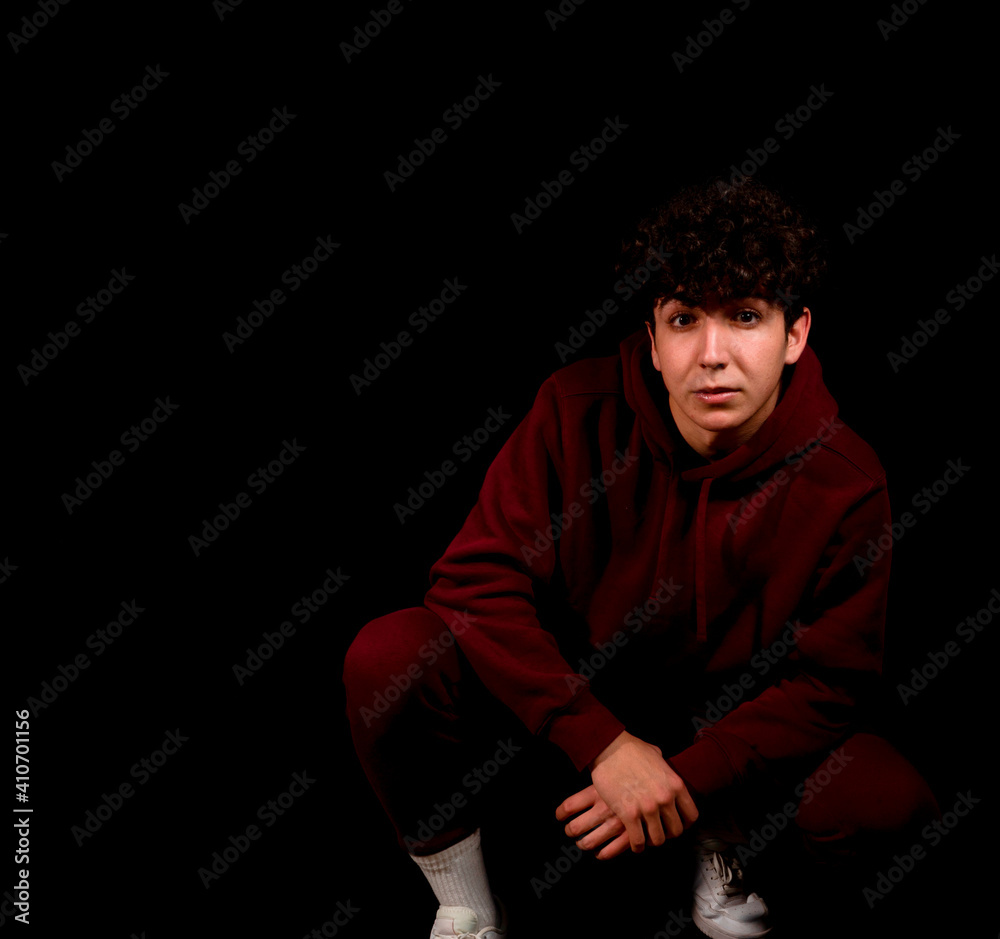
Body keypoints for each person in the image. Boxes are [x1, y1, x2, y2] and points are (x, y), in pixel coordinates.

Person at [343, 177, 939, 938]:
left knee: (881, 796)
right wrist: (603, 741)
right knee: (389, 655)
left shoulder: (847, 478)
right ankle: (465, 901)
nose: (713, 354)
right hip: (574, 714)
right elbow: (471, 580)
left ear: (795, 335)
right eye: (686, 318)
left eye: (746, 317)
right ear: (653, 340)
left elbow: (835, 678)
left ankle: (719, 848)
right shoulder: (574, 409)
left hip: (730, 740)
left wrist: (690, 774)